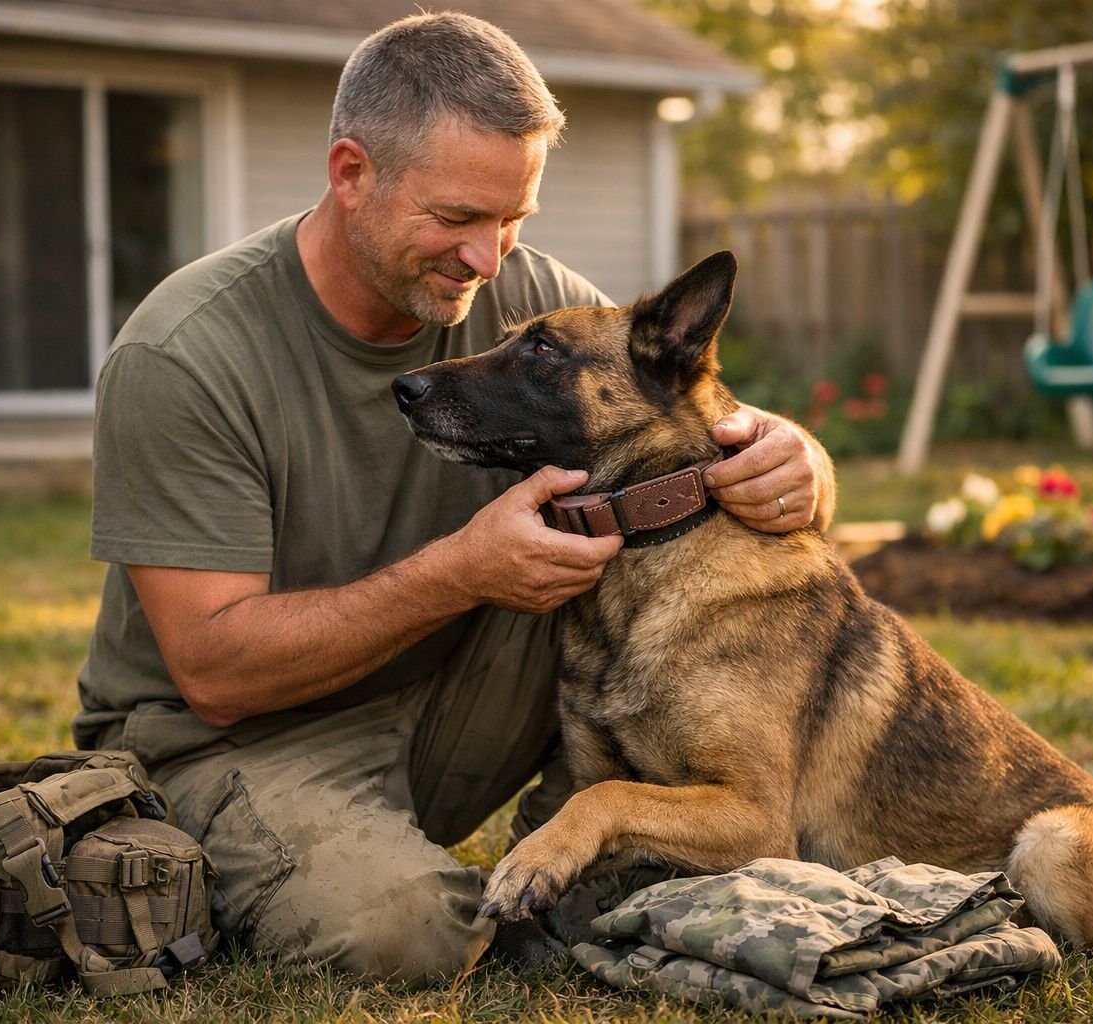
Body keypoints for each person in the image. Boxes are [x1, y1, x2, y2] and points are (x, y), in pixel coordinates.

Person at [73, 11, 836, 986]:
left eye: (514, 218)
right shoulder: (186, 355)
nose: (490, 257)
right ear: (352, 174)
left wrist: (797, 456)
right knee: (412, 935)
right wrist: (461, 571)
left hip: (443, 704)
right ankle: (323, 868)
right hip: (233, 742)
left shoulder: (524, 295)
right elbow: (217, 672)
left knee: (643, 559)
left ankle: (633, 833)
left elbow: (671, 412)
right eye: (458, 219)